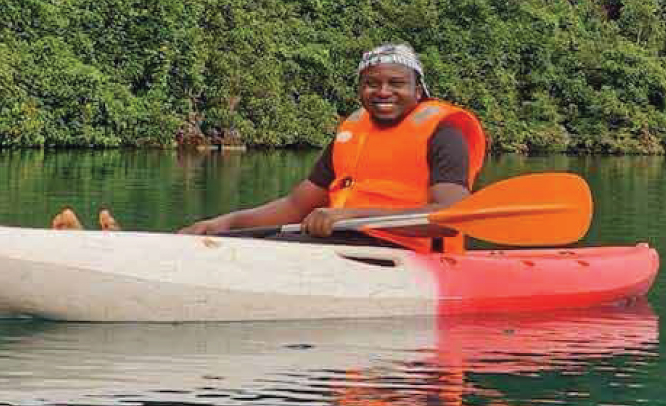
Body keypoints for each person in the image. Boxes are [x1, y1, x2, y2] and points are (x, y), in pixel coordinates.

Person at [178, 43, 486, 251]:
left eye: (396, 83)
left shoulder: (444, 133)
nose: (383, 92)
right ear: (359, 89)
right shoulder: (352, 133)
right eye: (371, 83)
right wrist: (224, 222)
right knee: (239, 240)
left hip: (406, 252)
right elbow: (296, 206)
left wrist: (349, 216)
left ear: (418, 90)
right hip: (345, 241)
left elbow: (450, 218)